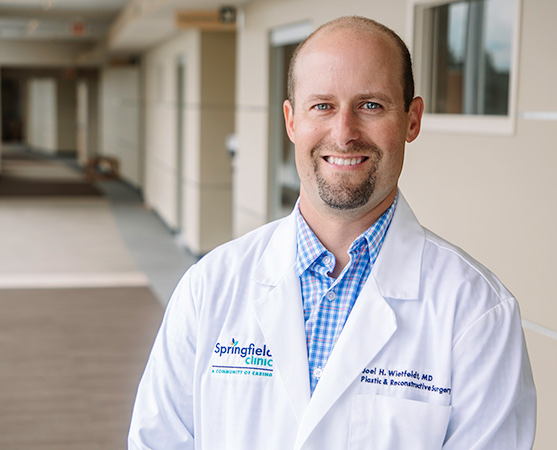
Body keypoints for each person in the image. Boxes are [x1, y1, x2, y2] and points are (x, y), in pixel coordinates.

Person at [128, 16, 536, 450]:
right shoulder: (208, 287)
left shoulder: (477, 313)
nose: (344, 133)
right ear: (290, 120)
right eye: (322, 105)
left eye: (371, 106)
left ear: (412, 120)